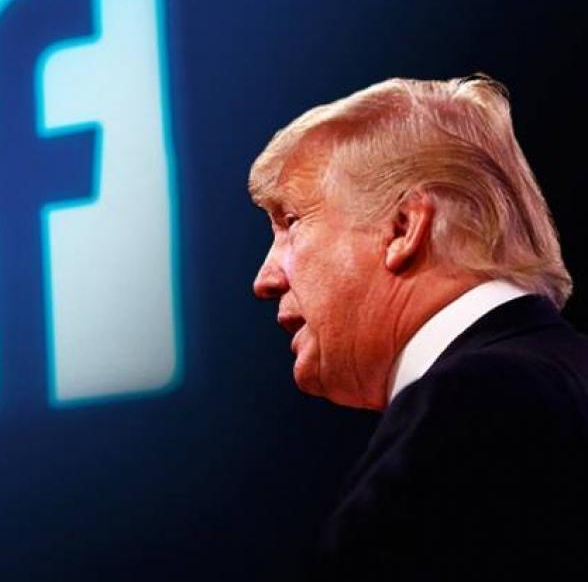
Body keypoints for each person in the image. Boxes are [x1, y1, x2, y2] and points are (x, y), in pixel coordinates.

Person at [249, 75, 588, 579]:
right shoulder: (558, 378)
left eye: (291, 222)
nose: (265, 279)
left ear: (403, 228)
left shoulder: (473, 403)